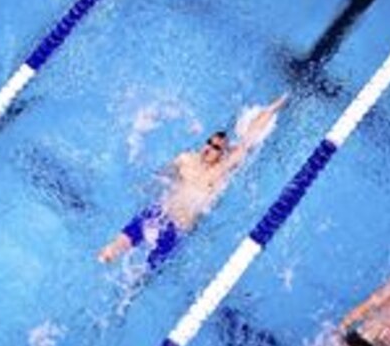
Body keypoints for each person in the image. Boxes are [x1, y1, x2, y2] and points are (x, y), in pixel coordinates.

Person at [98, 94, 288, 268]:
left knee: (142, 275)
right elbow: (162, 177)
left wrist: (274, 107)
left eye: (216, 148)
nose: (210, 148)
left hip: (175, 229)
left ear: (222, 154)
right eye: (209, 142)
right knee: (110, 251)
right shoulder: (186, 160)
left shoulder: (219, 172)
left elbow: (247, 141)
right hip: (158, 213)